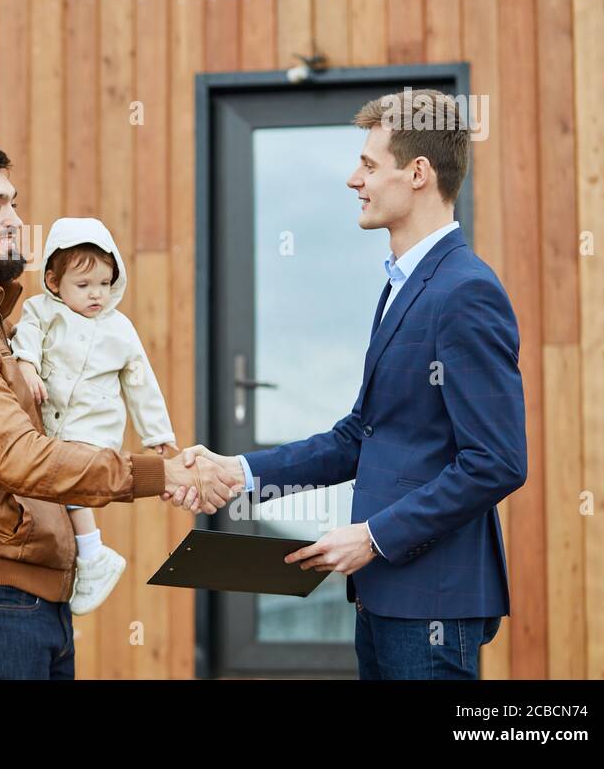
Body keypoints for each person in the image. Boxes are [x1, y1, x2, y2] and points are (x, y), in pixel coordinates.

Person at [194, 89, 527, 679]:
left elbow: (497, 462)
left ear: (418, 173)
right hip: (383, 596)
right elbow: (361, 436)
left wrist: (373, 538)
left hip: (432, 604)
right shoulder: (403, 285)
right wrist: (239, 472)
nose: (354, 179)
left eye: (370, 165)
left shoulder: (464, 292)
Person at [0, 141, 239, 680]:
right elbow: (21, 458)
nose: (14, 220)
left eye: (13, 204)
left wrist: (163, 452)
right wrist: (160, 472)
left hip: (26, 600)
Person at [10, 218, 178, 615]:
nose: (96, 295)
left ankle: (93, 554)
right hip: (50, 425)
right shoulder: (42, 311)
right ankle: (85, 556)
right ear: (54, 282)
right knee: (52, 487)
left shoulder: (119, 329)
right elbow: (26, 338)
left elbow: (141, 381)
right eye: (83, 286)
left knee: (70, 483)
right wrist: (29, 366)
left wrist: (158, 433)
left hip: (93, 425)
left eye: (104, 284)